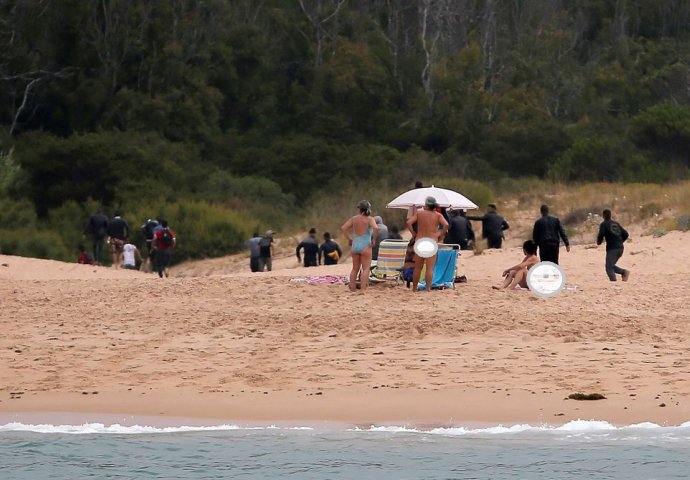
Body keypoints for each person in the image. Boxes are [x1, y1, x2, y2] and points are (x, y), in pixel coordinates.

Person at [406, 196, 449, 292]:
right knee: (430, 268)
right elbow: (446, 225)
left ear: (426, 204)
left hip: (420, 240)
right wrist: (441, 236)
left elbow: (409, 222)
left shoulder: (419, 213)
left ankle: (414, 288)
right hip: (431, 241)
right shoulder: (437, 215)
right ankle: (428, 288)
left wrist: (413, 234)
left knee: (418, 267)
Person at [341, 200, 379, 292]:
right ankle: (362, 289)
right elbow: (376, 228)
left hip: (356, 244)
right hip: (365, 244)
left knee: (355, 269)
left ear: (359, 209)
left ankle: (353, 288)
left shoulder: (354, 219)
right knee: (366, 268)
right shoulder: (370, 219)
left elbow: (343, 228)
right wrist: (374, 240)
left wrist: (349, 239)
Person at [597, 209, 630, 282]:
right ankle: (624, 272)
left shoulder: (604, 224)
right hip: (620, 248)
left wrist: (599, 242)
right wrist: (620, 241)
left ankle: (613, 282)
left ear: (603, 216)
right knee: (610, 265)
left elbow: (601, 235)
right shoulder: (616, 223)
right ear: (610, 215)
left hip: (612, 248)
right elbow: (626, 234)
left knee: (609, 267)